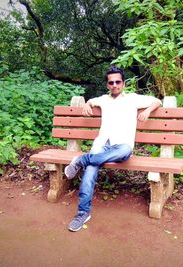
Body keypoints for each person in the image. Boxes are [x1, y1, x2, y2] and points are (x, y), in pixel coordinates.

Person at [64, 66, 162, 232]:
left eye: (118, 82)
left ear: (123, 83)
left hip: (122, 145)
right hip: (101, 145)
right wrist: (87, 103)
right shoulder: (103, 99)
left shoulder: (133, 99)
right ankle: (83, 212)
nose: (115, 85)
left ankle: (81, 160)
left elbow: (157, 101)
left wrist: (147, 110)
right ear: (107, 85)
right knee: (89, 173)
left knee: (124, 152)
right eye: (111, 82)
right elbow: (91, 101)